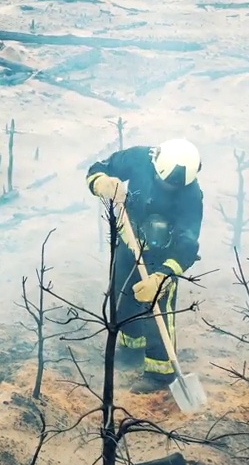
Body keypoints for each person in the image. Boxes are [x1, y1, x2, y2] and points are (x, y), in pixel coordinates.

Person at [86, 138, 204, 393]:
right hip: (130, 239)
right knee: (123, 293)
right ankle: (131, 348)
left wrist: (162, 276)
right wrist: (101, 182)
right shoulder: (139, 158)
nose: (168, 189)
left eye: (174, 188)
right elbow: (98, 168)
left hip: (163, 256)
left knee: (158, 309)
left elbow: (187, 243)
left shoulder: (191, 195)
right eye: (164, 184)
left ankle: (160, 372)